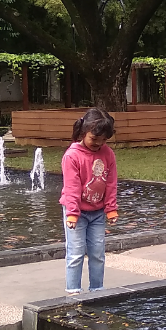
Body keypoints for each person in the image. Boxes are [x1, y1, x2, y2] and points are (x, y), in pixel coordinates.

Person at [60, 108, 119, 293]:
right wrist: (72, 213)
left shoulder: (108, 154)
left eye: (103, 141)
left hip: (97, 213)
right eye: (94, 139)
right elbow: (72, 187)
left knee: (97, 254)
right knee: (76, 254)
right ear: (83, 132)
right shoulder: (72, 156)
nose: (98, 144)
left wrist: (111, 208)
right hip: (75, 214)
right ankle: (73, 293)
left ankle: (97, 291)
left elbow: (111, 183)